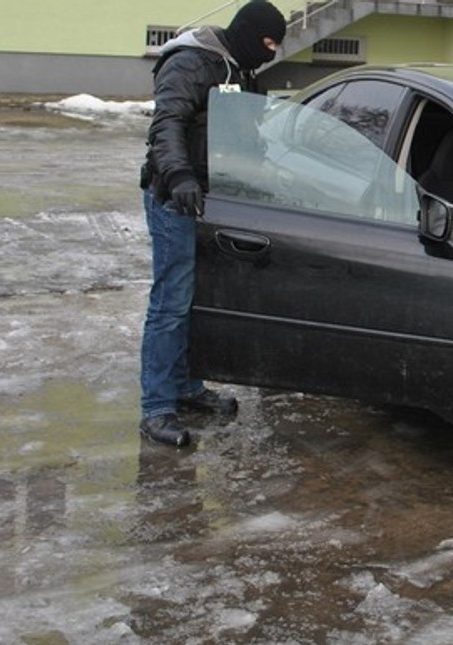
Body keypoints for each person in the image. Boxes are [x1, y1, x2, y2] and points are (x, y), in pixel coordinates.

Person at [138, 1, 287, 446]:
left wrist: (263, 183)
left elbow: (245, 135)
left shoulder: (240, 70)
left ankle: (186, 386)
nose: (271, 52)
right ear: (248, 33)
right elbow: (168, 124)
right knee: (171, 302)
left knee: (197, 300)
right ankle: (156, 407)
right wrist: (179, 176)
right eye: (267, 43)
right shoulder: (192, 61)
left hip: (214, 202)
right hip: (176, 200)